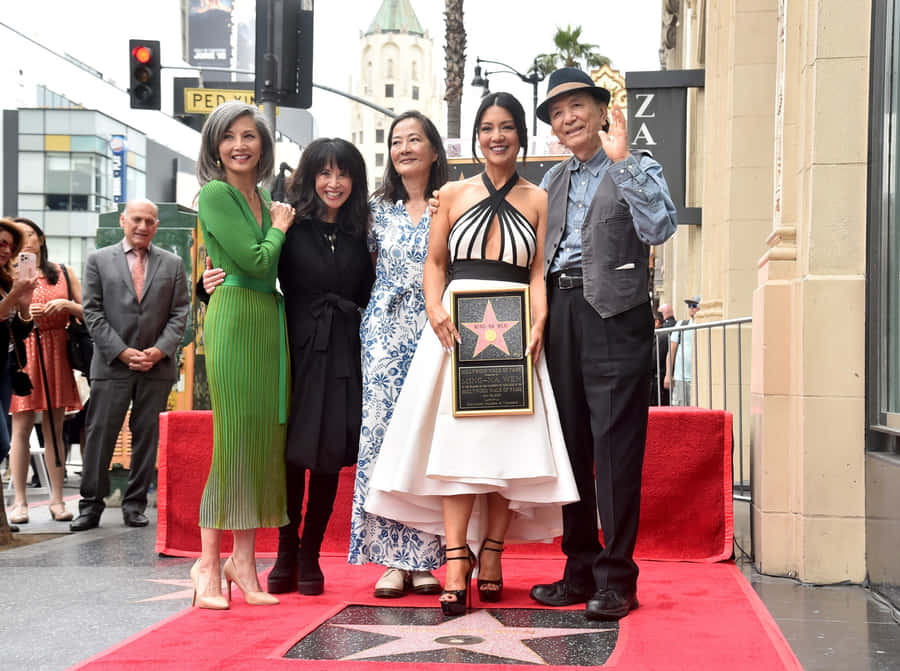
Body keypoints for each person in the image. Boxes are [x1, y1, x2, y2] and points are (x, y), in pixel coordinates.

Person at [365, 92, 579, 617]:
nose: (497, 136)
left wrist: (540, 319)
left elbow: (536, 274)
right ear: (476, 136)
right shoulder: (452, 193)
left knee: (505, 447)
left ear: (521, 136)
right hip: (456, 332)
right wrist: (435, 309)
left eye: (507, 127)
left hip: (514, 331)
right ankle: (456, 558)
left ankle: (493, 554)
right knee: (457, 448)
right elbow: (435, 262)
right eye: (487, 127)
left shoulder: (538, 198)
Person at [527, 68, 677, 620]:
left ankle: (617, 579)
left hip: (614, 316)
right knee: (570, 446)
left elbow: (660, 227)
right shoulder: (551, 182)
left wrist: (622, 162)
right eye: (557, 111)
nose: (567, 117)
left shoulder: (635, 165)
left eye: (577, 106)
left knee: (615, 448)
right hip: (560, 312)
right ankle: (579, 568)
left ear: (599, 109)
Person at [203, 138, 374, 597]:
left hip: (342, 351)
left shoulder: (363, 231)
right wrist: (208, 282)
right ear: (309, 177)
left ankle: (310, 554)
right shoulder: (289, 225)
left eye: (343, 174)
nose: (333, 183)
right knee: (288, 452)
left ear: (354, 182)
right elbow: (249, 266)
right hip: (289, 347)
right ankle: (284, 548)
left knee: (327, 456)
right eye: (324, 172)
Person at [193, 101, 296, 610]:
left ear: (263, 144)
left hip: (266, 321)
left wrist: (273, 220)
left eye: (249, 135)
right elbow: (256, 262)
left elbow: (267, 269)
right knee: (232, 440)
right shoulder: (214, 194)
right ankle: (208, 564)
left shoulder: (262, 195)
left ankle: (244, 563)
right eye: (229, 136)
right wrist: (278, 227)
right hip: (234, 317)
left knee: (261, 442)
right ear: (215, 146)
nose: (240, 144)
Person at [347, 111, 448, 599]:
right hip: (385, 335)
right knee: (384, 441)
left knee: (427, 441)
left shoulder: (450, 202)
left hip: (437, 331)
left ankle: (427, 558)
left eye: (415, 139)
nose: (405, 148)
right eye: (396, 141)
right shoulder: (375, 210)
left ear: (433, 149)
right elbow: (356, 268)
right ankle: (390, 560)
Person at [69, 199, 190, 532]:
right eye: (137, 219)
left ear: (156, 226)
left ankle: (135, 504)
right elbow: (91, 311)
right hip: (111, 364)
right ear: (123, 220)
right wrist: (122, 351)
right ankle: (90, 505)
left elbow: (181, 312)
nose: (143, 226)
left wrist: (159, 350)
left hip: (157, 365)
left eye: (150, 221)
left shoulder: (173, 264)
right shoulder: (98, 260)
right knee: (99, 436)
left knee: (146, 436)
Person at [7, 218, 84, 525]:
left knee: (55, 429)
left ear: (40, 239)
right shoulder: (8, 273)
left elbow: (88, 310)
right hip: (24, 353)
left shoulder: (63, 272)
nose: (25, 240)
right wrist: (25, 312)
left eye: (30, 234)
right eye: (18, 236)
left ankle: (56, 499)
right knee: (21, 430)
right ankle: (20, 503)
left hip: (56, 351)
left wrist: (64, 304)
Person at [0, 219, 37, 506]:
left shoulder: (6, 278)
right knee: (3, 440)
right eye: (0, 242)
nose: (5, 249)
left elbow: (21, 329)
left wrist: (24, 303)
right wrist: (14, 296)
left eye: (9, 245)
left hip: (6, 366)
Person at [666, 296, 700, 407]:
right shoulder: (681, 324)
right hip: (681, 378)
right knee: (680, 411)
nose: (691, 308)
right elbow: (671, 351)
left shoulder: (703, 325)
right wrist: (668, 375)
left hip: (698, 379)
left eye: (694, 305)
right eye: (689, 305)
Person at [651, 303, 675, 405]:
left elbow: (654, 360)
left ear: (656, 322)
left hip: (659, 381)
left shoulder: (661, 336)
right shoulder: (660, 335)